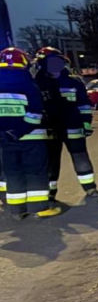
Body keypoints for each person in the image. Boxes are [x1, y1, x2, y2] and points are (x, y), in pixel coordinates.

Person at [0, 47, 61, 218]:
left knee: (13, 172)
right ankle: (40, 208)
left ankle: (17, 210)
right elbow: (35, 114)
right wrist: (18, 131)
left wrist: (5, 133)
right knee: (35, 172)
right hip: (31, 137)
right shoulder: (28, 84)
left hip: (5, 139)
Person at [35, 47, 98, 200]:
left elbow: (83, 105)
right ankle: (50, 192)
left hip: (73, 126)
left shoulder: (73, 82)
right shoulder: (37, 83)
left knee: (80, 157)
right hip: (50, 128)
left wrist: (86, 124)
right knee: (51, 161)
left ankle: (90, 188)